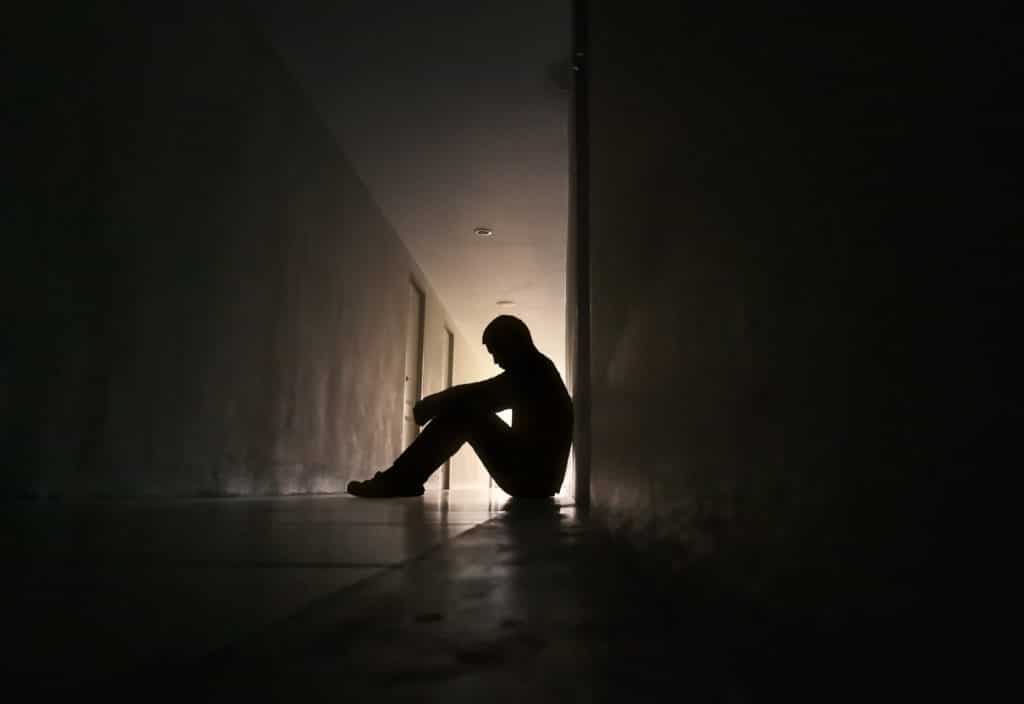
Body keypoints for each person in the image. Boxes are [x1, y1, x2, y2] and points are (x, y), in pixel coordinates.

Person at [347, 315, 573, 498]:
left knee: (464, 411)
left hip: (532, 480)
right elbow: (485, 393)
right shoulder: (539, 369)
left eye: (497, 351)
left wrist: (430, 405)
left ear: (513, 343)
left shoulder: (534, 372)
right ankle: (402, 479)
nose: (495, 361)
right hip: (535, 477)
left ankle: (398, 481)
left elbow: (482, 394)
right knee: (464, 408)